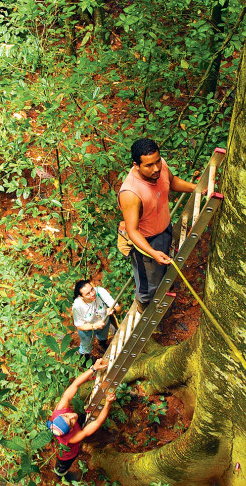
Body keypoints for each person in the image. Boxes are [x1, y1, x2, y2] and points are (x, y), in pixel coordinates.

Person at [118, 138, 196, 312]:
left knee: (164, 268)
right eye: (149, 165)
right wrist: (152, 253)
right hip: (146, 242)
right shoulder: (131, 192)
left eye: (158, 161)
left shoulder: (161, 167)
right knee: (149, 283)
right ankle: (145, 308)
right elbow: (132, 230)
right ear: (136, 165)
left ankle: (163, 296)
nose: (156, 169)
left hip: (164, 228)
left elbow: (171, 181)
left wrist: (194, 188)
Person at [47, 358, 116, 481]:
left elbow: (75, 385)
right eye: (71, 422)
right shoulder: (73, 438)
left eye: (67, 416)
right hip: (66, 455)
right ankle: (61, 475)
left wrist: (93, 368)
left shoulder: (60, 409)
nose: (72, 416)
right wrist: (108, 404)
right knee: (63, 465)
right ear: (71, 429)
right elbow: (97, 422)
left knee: (79, 415)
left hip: (65, 437)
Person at [72, 280, 121, 366]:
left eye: (92, 289)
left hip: (104, 324)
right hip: (87, 330)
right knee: (86, 347)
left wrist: (113, 310)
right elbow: (79, 325)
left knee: (103, 337)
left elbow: (118, 308)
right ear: (81, 297)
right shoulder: (77, 306)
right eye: (87, 294)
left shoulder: (100, 292)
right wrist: (94, 326)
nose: (92, 294)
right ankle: (84, 361)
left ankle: (102, 345)